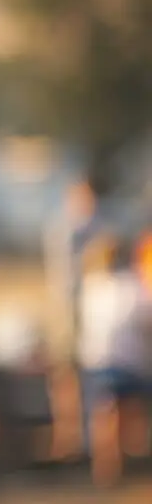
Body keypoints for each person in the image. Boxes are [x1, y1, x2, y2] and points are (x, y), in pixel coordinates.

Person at [75, 233, 152, 487]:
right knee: (131, 412)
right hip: (129, 364)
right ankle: (129, 460)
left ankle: (106, 467)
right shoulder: (133, 287)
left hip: (98, 362)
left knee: (104, 416)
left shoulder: (91, 287)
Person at [45, 178, 102, 457]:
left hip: (93, 310)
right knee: (66, 373)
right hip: (70, 309)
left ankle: (89, 437)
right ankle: (69, 436)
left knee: (90, 374)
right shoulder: (67, 229)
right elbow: (67, 274)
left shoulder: (96, 227)